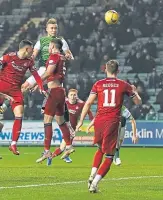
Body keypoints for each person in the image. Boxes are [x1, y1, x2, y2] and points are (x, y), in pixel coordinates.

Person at [76, 60, 142, 193]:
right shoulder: (123, 85)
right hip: (112, 121)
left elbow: (88, 103)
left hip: (99, 120)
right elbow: (138, 102)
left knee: (100, 149)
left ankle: (91, 175)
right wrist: (135, 91)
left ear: (105, 70)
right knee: (110, 155)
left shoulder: (98, 84)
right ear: (118, 71)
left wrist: (81, 121)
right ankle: (94, 184)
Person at [0, 40, 44, 155]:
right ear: (26, 49)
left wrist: (40, 86)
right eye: (32, 48)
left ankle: (13, 144)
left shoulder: (29, 61)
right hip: (1, 87)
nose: (33, 51)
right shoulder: (8, 57)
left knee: (19, 114)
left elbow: (36, 75)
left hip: (15, 90)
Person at [35, 38, 74, 164]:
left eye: (49, 46)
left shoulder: (54, 56)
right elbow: (53, 76)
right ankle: (68, 146)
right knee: (60, 121)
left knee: (47, 121)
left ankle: (46, 151)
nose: (48, 48)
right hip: (61, 91)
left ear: (53, 45)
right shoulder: (61, 57)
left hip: (53, 92)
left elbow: (48, 72)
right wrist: (40, 84)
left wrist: (37, 81)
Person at [21, 18, 73, 91]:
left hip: (55, 71)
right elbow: (34, 54)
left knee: (56, 94)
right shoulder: (41, 41)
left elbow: (69, 54)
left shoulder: (61, 40)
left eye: (55, 28)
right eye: (51, 28)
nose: (54, 30)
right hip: (43, 69)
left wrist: (68, 56)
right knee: (24, 86)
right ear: (47, 29)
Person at [52, 88, 94, 163]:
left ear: (77, 96)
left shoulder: (81, 103)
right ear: (68, 96)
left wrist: (92, 121)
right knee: (63, 147)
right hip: (64, 127)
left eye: (74, 95)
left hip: (73, 128)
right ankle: (55, 156)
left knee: (64, 146)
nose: (73, 96)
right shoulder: (64, 102)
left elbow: (89, 112)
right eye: (71, 95)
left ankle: (53, 156)